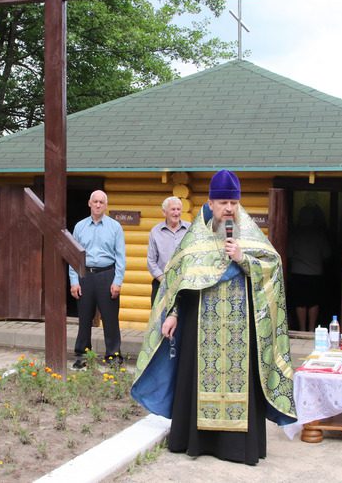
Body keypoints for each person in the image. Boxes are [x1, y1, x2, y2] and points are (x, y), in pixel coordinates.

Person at [132, 170, 295, 465]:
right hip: (200, 326)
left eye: (233, 202)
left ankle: (237, 448)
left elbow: (273, 267)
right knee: (196, 378)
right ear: (210, 202)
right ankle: (196, 440)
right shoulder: (195, 237)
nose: (228, 209)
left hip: (241, 331)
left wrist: (243, 259)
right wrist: (174, 314)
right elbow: (177, 279)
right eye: (222, 202)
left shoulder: (250, 236)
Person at [69, 190, 126, 369]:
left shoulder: (115, 227)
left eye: (102, 202)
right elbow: (73, 256)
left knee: (110, 319)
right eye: (95, 202)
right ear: (89, 203)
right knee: (84, 318)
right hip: (84, 275)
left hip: (107, 275)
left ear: (106, 205)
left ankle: (113, 356)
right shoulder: (79, 227)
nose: (98, 205)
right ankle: (82, 356)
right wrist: (74, 281)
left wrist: (117, 281)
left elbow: (121, 257)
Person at [287, 201, 331, 332]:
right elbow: (327, 254)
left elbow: (288, 253)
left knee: (300, 302)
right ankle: (311, 330)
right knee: (313, 302)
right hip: (315, 272)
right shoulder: (319, 235)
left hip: (298, 272)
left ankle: (301, 329)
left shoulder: (295, 234)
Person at [147, 196, 190, 304]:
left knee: (184, 319)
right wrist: (163, 280)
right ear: (164, 212)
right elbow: (151, 261)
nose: (176, 213)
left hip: (184, 284)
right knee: (159, 320)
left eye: (178, 209)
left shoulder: (190, 229)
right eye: (173, 209)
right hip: (161, 284)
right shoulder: (155, 232)